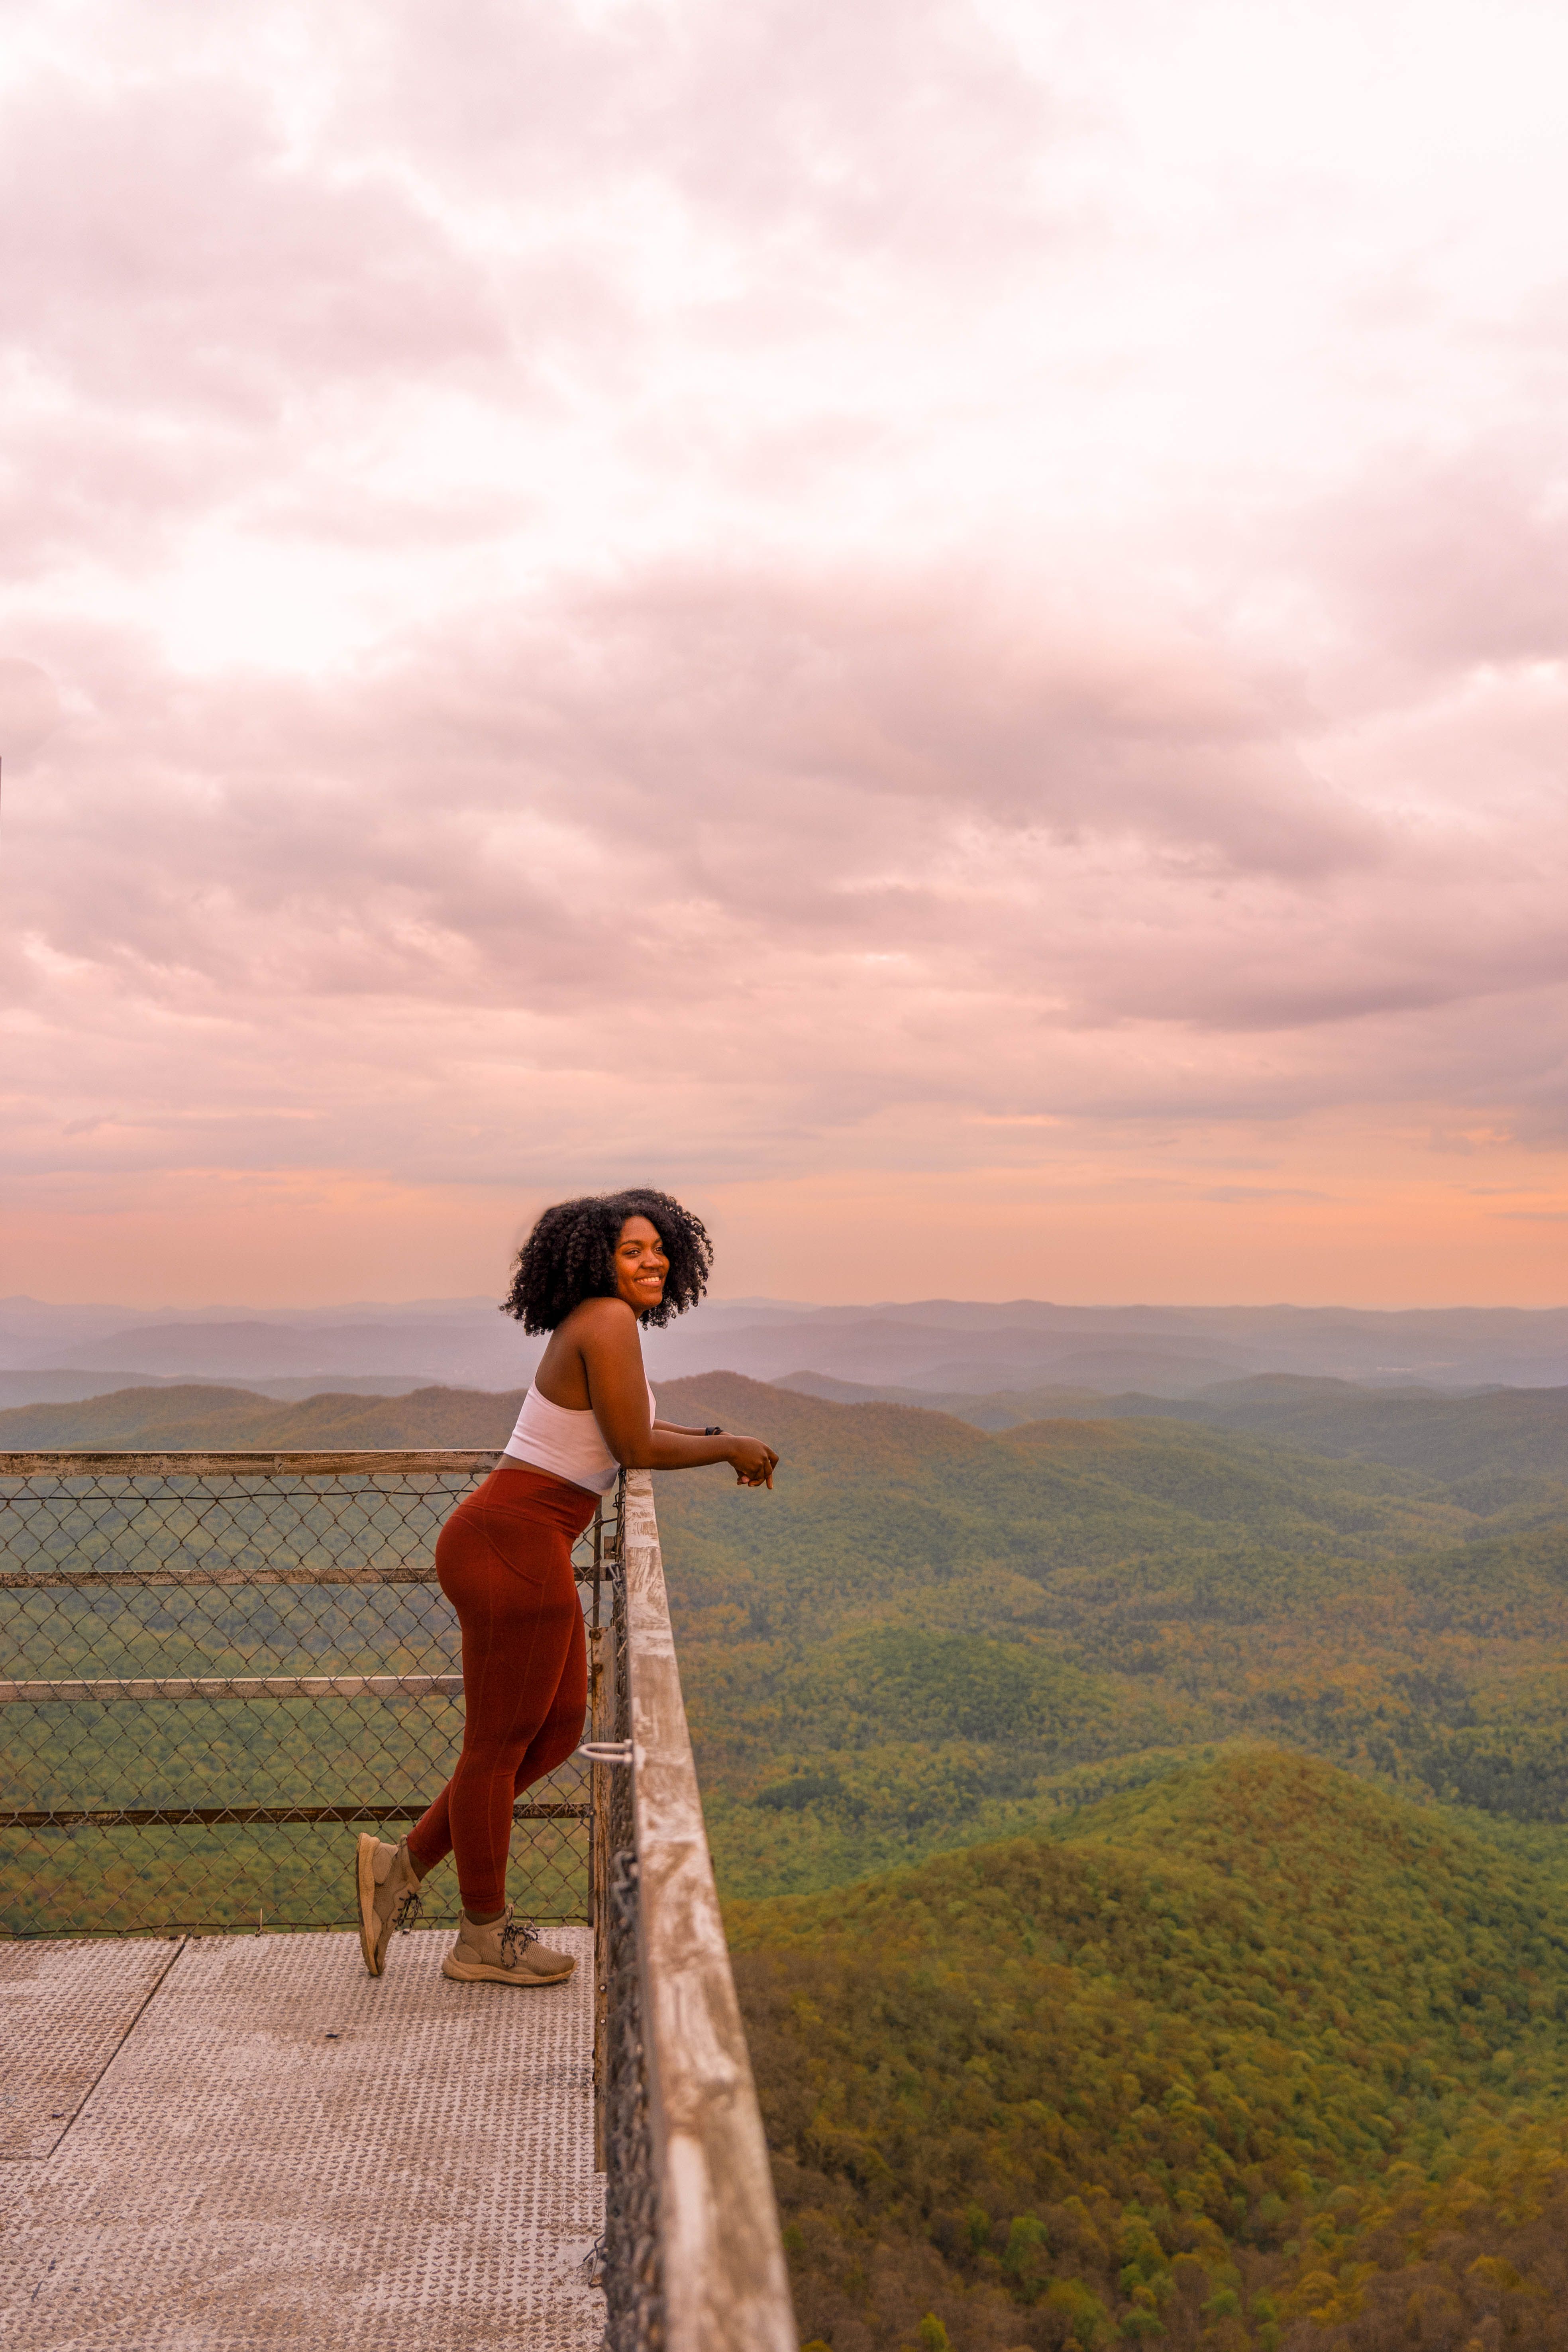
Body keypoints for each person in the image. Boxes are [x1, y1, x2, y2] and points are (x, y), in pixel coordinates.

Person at [353, 1188, 778, 1987]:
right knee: (495, 1748)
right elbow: (631, 1444)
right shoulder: (606, 1321)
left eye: (658, 1247)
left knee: (555, 1730)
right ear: (596, 1260)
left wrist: (723, 1439)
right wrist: (733, 1447)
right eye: (632, 1250)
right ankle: (482, 1933)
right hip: (513, 1542)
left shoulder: (600, 1324)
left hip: (523, 1541)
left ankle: (400, 1866)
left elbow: (630, 1427)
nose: (652, 1259)